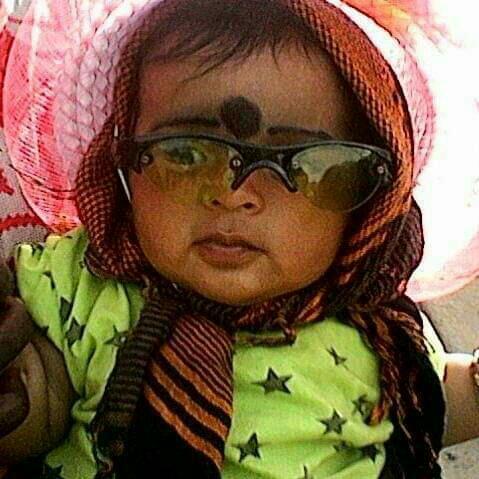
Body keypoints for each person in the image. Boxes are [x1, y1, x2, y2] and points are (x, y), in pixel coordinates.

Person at [0, 1, 478, 478]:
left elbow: (432, 405)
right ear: (120, 163)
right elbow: (39, 397)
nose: (233, 194)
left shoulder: (381, 338)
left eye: (306, 163)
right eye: (184, 154)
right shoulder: (84, 282)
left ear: (368, 203)